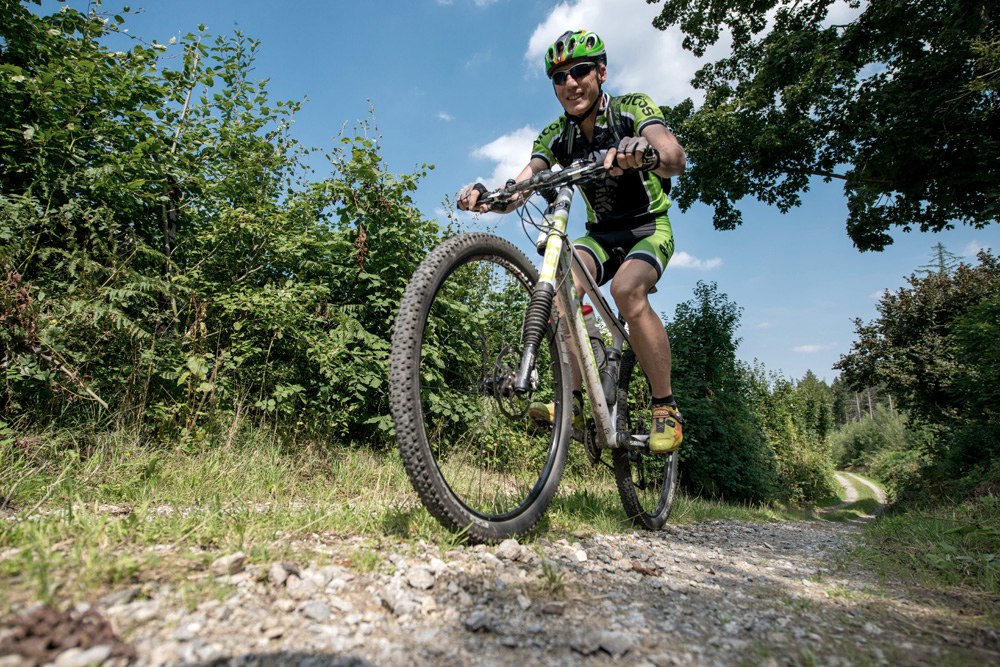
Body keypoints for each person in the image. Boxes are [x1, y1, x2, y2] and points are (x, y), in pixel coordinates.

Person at [457, 29, 685, 454]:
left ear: (600, 72)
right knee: (562, 289)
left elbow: (674, 158)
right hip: (601, 235)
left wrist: (644, 152)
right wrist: (489, 197)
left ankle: (665, 408)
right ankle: (576, 402)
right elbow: (523, 184)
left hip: (648, 228)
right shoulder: (557, 135)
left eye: (580, 71)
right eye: (559, 77)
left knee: (625, 289)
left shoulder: (631, 109)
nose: (570, 83)